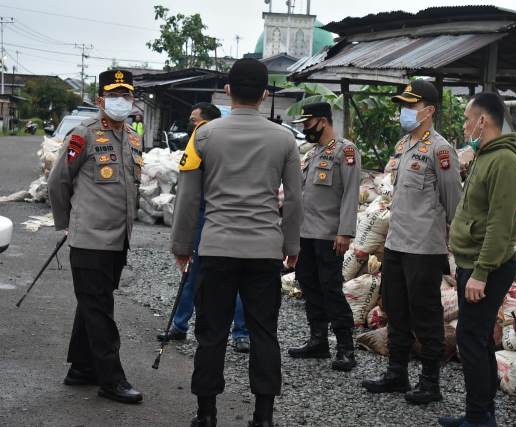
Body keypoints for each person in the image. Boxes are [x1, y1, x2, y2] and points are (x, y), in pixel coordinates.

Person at [171, 58, 302, 427]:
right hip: (264, 252)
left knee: (211, 333)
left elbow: (188, 197)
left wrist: (182, 246)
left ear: (227, 91)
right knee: (264, 332)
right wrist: (292, 246)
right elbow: (293, 199)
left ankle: (207, 414)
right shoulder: (285, 139)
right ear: (264, 94)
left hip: (216, 249)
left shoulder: (205, 135)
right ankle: (263, 417)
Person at [362, 79, 462, 405]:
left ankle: (430, 382)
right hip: (396, 243)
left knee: (426, 316)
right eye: (404, 105)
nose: (405, 111)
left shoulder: (441, 149)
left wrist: (455, 250)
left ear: (429, 110)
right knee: (396, 310)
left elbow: (454, 204)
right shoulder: (404, 145)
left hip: (424, 248)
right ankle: (396, 373)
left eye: (411, 105)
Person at [48, 69, 144, 404]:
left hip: (118, 240)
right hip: (89, 240)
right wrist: (67, 224)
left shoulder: (132, 137)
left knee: (93, 303)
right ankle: (111, 379)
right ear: (100, 99)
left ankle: (82, 369)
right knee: (99, 308)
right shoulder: (82, 134)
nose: (121, 101)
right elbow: (58, 182)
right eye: (114, 95)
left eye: (126, 95)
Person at [439, 93, 516, 427]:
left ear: (483, 120)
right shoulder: (486, 155)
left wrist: (481, 273)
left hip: (484, 267)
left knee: (470, 340)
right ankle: (482, 412)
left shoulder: (503, 161)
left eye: (465, 118)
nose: (464, 125)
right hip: (471, 264)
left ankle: (477, 418)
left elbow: (500, 225)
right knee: (479, 338)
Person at [158, 102, 251, 354]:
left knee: (236, 276)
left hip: (224, 212)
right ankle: (180, 324)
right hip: (204, 213)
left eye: (194, 120)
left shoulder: (223, 141)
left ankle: (240, 332)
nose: (191, 125)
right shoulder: (202, 140)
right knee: (191, 273)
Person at [287, 102, 360, 371]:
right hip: (306, 233)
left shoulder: (345, 150)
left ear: (323, 122)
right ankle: (318, 341)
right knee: (309, 285)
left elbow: (351, 193)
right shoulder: (313, 153)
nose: (306, 129)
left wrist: (345, 231)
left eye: (308, 124)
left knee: (331, 289)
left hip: (329, 234)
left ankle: (345, 348)